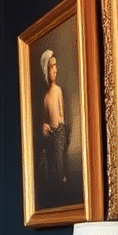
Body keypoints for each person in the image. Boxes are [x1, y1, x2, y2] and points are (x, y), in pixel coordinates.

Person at [38, 48, 69, 192]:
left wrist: (61, 121)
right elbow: (45, 118)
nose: (54, 70)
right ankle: (56, 178)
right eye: (51, 67)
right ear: (46, 71)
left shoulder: (58, 90)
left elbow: (61, 110)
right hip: (51, 133)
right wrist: (46, 127)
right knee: (52, 155)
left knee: (60, 154)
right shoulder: (46, 97)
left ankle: (62, 176)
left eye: (55, 66)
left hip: (60, 131)